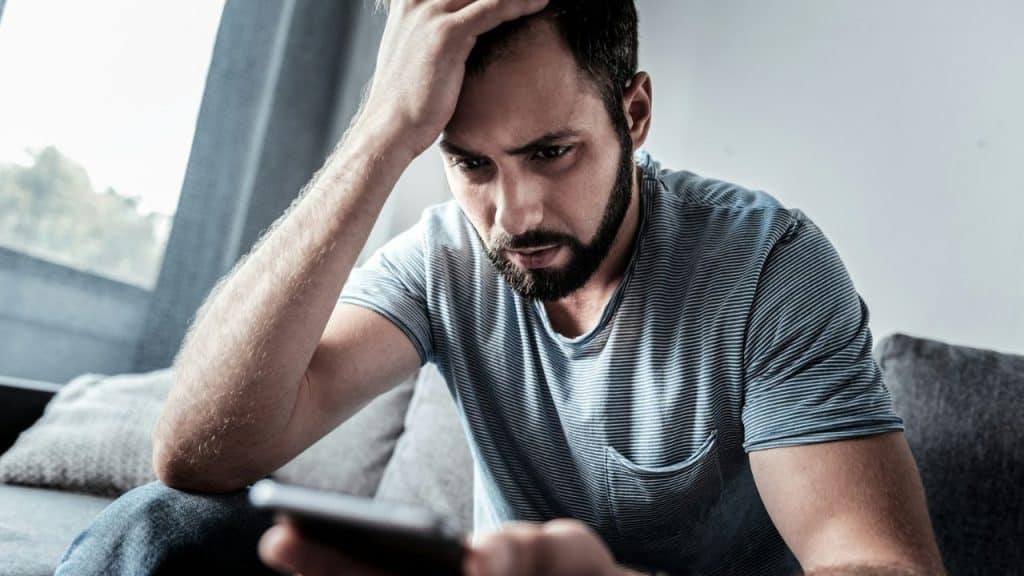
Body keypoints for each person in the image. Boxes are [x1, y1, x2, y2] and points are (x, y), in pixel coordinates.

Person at [57, 0, 945, 574]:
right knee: (158, 528)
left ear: (633, 114)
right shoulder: (448, 255)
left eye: (550, 154)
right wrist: (381, 133)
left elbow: (878, 565)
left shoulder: (766, 268)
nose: (512, 215)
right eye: (470, 163)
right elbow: (199, 453)